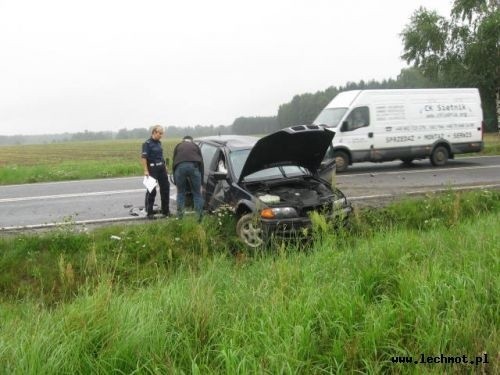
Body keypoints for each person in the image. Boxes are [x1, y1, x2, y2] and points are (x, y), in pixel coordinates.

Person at [141, 125, 170, 219]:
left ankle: (166, 211)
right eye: (160, 133)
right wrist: (145, 170)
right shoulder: (147, 143)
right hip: (152, 169)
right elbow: (144, 158)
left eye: (162, 134)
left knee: (165, 188)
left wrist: (165, 166)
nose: (161, 135)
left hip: (161, 168)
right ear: (154, 132)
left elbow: (161, 156)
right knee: (151, 191)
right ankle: (149, 213)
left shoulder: (159, 143)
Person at [172, 135, 204, 221]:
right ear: (192, 141)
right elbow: (201, 164)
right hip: (194, 166)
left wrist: (175, 181)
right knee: (197, 193)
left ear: (183, 140)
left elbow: (174, 163)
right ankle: (199, 219)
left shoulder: (178, 146)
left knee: (181, 193)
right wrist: (201, 183)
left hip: (180, 167)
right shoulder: (196, 146)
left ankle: (180, 218)